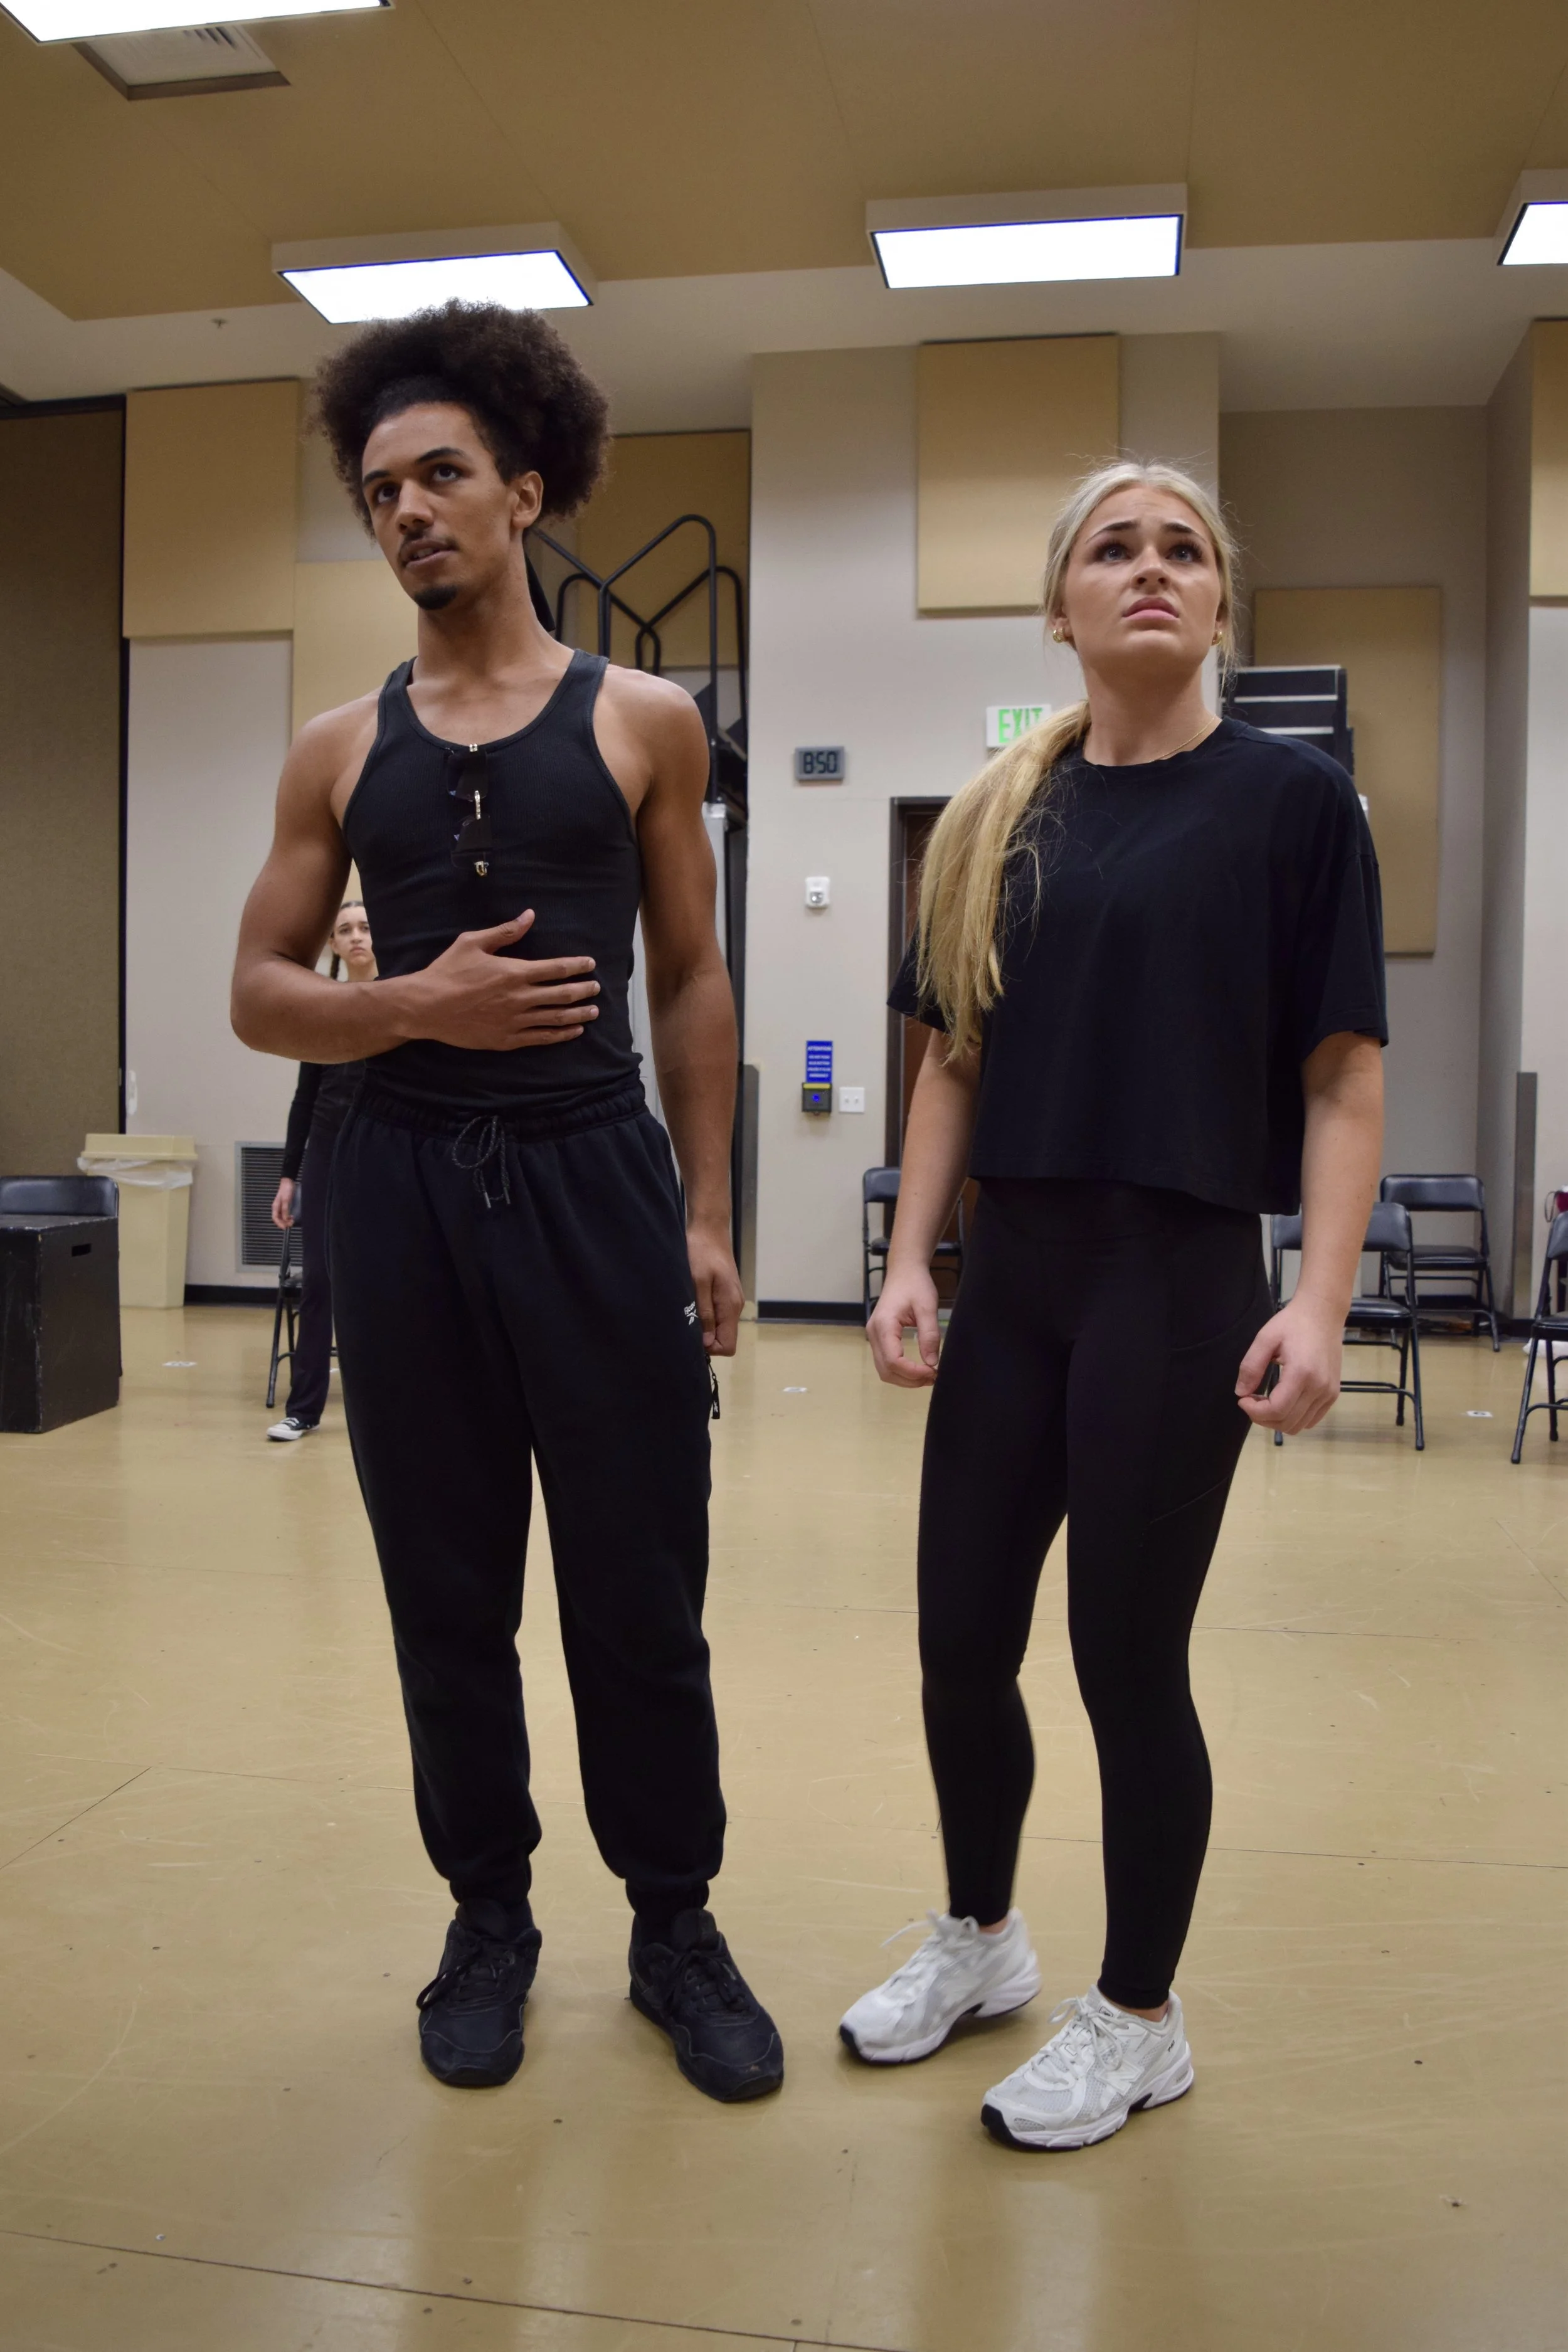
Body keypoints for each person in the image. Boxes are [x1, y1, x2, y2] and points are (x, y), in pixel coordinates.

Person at [231, 300, 781, 2104]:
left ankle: (674, 1921)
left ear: (525, 488)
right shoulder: (335, 745)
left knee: (639, 1575)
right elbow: (257, 987)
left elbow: (692, 981)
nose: (406, 510)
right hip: (399, 1193)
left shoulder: (644, 719)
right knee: (444, 1584)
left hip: (590, 1174)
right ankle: (488, 1913)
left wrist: (706, 1216)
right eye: (377, 486)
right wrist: (408, 1005)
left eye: (441, 474)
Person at [840, 460, 1386, 2151]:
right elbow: (949, 1059)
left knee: (1120, 1655)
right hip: (1017, 1276)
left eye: (1181, 549)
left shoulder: (1294, 810)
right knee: (955, 1639)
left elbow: (1343, 1076)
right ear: (1061, 605)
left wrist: (1321, 1298)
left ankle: (1139, 2012)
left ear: (1216, 598)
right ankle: (982, 1935)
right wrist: (911, 1257)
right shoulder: (1004, 812)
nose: (1146, 568)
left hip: (1174, 1272)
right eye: (1110, 547)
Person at [267, 899, 376, 1441]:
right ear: (332, 944)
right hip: (329, 1150)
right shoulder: (322, 1008)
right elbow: (304, 1100)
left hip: (385, 1148)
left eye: (364, 928)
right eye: (345, 931)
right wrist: (290, 1175)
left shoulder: (404, 999)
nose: (357, 938)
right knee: (320, 1280)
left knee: (393, 1282)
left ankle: (392, 1408)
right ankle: (303, 1408)